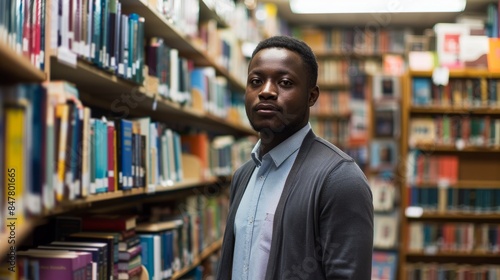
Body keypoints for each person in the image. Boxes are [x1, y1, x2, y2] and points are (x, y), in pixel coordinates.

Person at [216, 35, 373, 280]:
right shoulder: (243, 175)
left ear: (312, 96)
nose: (266, 91)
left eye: (285, 82)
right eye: (256, 81)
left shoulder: (340, 179)